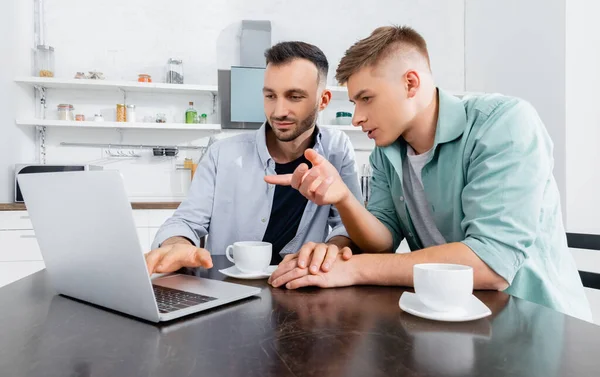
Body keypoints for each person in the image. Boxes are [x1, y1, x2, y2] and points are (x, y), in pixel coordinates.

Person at [266, 26, 592, 321]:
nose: (356, 118)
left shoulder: (504, 122)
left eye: (366, 99)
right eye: (354, 102)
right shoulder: (387, 150)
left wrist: (351, 269)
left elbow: (492, 264)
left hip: (533, 327)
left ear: (411, 83)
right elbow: (382, 241)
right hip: (448, 320)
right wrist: (343, 197)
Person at [145, 41, 361, 275]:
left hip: (303, 285)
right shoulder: (222, 153)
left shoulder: (337, 148)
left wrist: (332, 247)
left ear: (324, 100)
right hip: (228, 289)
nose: (278, 111)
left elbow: (348, 223)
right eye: (270, 95)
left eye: (294, 96)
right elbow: (185, 221)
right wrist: (176, 244)